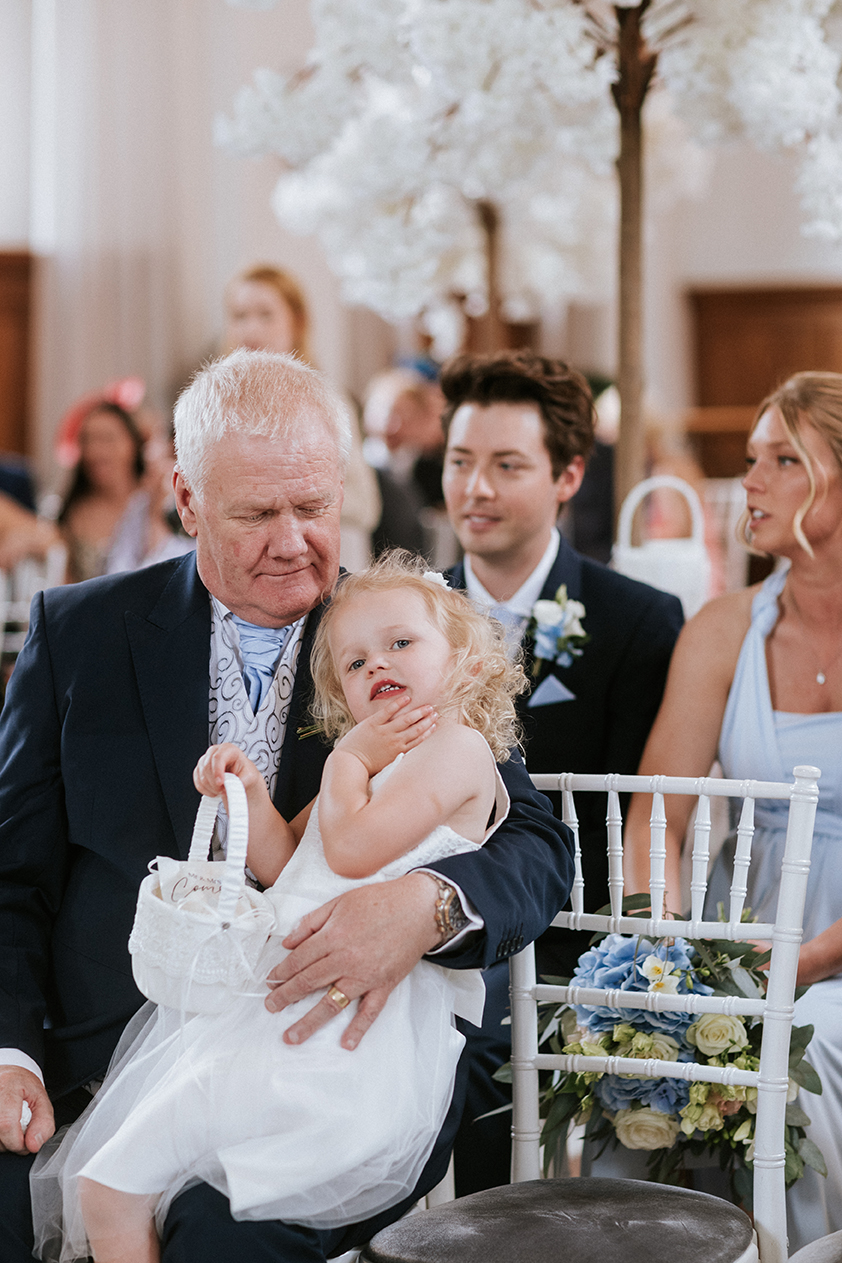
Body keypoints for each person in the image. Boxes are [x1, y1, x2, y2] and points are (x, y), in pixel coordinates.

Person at [0, 348, 573, 1263]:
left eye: (312, 506)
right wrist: (10, 1053)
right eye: (257, 513)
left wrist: (426, 906)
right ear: (187, 501)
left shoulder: (401, 633)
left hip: (338, 1062)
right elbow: (11, 876)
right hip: (97, 1055)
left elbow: (537, 845)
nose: (293, 540)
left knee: (219, 1239)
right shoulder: (78, 632)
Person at [32, 554, 526, 1261]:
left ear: (467, 662)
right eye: (355, 662)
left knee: (120, 1187)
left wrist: (347, 758)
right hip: (265, 1015)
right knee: (105, 1188)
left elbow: (352, 850)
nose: (377, 664)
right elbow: (291, 863)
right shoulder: (371, 765)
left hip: (339, 1042)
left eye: (400, 643)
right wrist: (249, 796)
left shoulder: (458, 749)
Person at [440, 349, 685, 1193]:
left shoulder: (637, 621)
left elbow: (638, 824)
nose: (475, 488)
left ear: (568, 475)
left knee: (485, 1046)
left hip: (568, 939)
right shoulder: (403, 617)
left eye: (507, 465)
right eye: (460, 461)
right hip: (428, 925)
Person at [621, 371, 842, 1252]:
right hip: (740, 937)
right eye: (752, 457)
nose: (749, 479)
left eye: (784, 460)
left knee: (803, 1050)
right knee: (636, 1060)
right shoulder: (720, 629)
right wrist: (666, 949)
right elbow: (657, 817)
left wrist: (804, 961)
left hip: (825, 954)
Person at [224, 264, 381, 572]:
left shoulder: (328, 401)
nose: (251, 330)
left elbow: (365, 505)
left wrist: (287, 498)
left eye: (265, 315)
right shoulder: (219, 408)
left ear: (297, 322)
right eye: (240, 316)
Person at [55, 382, 191, 583]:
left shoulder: (155, 503)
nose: (96, 451)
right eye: (88, 440)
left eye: (108, 439)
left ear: (133, 444)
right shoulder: (68, 509)